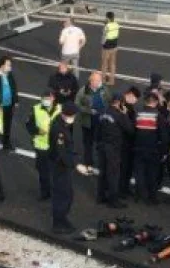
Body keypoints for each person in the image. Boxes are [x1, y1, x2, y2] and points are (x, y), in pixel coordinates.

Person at [96, 92, 134, 208]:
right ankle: (113, 200)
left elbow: (97, 131)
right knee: (113, 174)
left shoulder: (103, 112)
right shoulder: (119, 115)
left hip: (102, 146)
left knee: (102, 173)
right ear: (121, 103)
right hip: (113, 148)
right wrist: (125, 115)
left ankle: (100, 196)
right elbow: (130, 130)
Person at [26, 89, 61, 201]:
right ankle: (45, 192)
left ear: (53, 98)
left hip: (56, 146)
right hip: (41, 146)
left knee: (56, 171)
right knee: (43, 171)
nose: (46, 100)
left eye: (49, 98)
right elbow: (29, 125)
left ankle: (55, 191)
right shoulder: (35, 109)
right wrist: (37, 131)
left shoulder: (60, 109)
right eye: (44, 98)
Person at [50, 103, 79, 233]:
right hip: (59, 166)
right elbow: (61, 151)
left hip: (63, 165)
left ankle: (62, 218)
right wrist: (75, 165)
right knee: (62, 195)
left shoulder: (63, 125)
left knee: (67, 194)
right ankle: (57, 223)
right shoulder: (59, 129)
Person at [132, 91, 163, 205]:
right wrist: (163, 151)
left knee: (139, 173)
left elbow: (133, 130)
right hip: (152, 149)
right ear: (155, 102)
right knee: (152, 174)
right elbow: (163, 134)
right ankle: (152, 198)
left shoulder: (138, 113)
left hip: (138, 147)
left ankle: (138, 195)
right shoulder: (158, 115)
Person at [74, 71, 108, 175]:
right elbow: (77, 104)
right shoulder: (83, 91)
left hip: (101, 121)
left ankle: (100, 163)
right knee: (88, 144)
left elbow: (108, 100)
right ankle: (88, 163)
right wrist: (88, 110)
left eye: (100, 80)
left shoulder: (104, 89)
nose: (98, 82)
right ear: (91, 81)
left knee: (100, 143)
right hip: (88, 122)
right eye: (96, 80)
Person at [119, 87, 140, 198]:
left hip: (126, 143)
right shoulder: (124, 108)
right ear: (130, 95)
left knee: (126, 168)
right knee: (124, 168)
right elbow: (128, 127)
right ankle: (122, 190)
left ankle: (124, 188)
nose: (136, 101)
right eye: (135, 98)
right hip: (124, 143)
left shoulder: (127, 107)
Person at [100, 12, 120, 86]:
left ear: (107, 18)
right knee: (112, 64)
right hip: (114, 46)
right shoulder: (116, 24)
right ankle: (112, 81)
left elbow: (104, 37)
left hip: (107, 47)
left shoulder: (107, 26)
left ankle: (103, 80)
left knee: (104, 64)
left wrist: (102, 44)